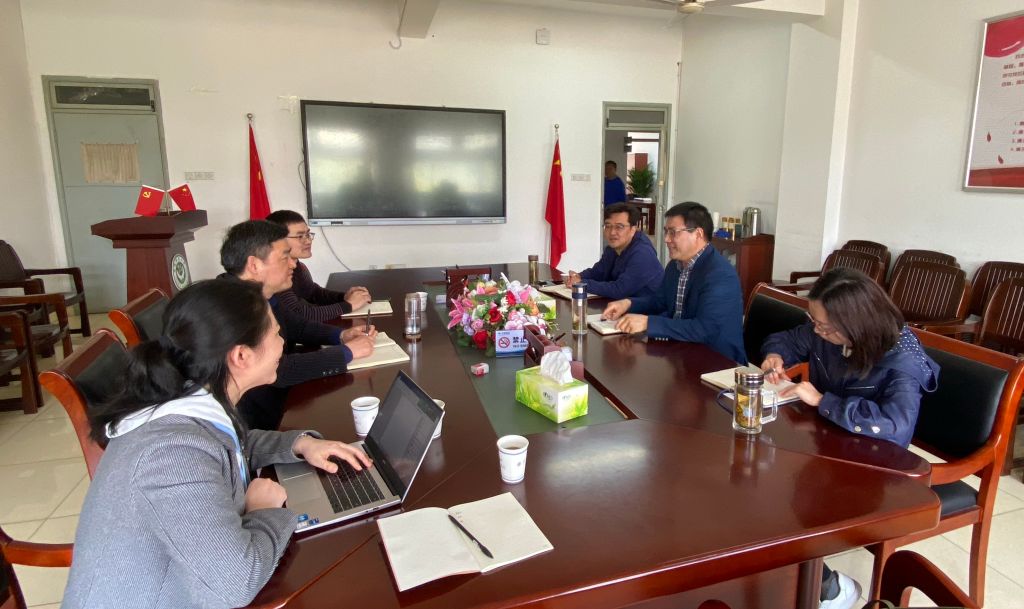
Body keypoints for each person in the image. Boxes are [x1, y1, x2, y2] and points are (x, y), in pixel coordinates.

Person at [62, 279, 372, 609]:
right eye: (276, 334)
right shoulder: (170, 455)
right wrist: (263, 512)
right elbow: (238, 582)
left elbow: (229, 444)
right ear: (241, 355)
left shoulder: (189, 400)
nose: (283, 343)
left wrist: (300, 444)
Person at [758, 268, 940, 609]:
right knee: (760, 479)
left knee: (778, 498)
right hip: (829, 439)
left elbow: (895, 425)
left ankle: (828, 588)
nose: (817, 330)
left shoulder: (900, 357)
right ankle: (788, 578)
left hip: (876, 464)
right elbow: (788, 339)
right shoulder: (825, 329)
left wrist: (823, 401)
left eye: (824, 326)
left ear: (855, 325)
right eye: (813, 321)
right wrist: (775, 356)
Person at [220, 220, 375, 430]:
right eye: (285, 257)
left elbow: (296, 326)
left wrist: (340, 335)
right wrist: (346, 353)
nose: (293, 264)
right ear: (254, 265)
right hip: (258, 424)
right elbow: (279, 369)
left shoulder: (257, 293)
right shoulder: (232, 308)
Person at [601, 201, 746, 363]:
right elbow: (659, 301)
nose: (666, 239)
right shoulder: (675, 265)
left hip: (718, 362)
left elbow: (705, 329)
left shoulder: (720, 274)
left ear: (698, 234)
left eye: (673, 232)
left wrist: (648, 323)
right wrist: (628, 304)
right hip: (681, 351)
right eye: (666, 232)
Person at [265, 209, 372, 321]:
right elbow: (299, 314)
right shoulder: (274, 273)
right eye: (300, 236)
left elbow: (313, 293)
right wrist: (348, 305)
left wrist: (344, 297)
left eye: (308, 234)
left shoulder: (296, 264)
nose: (308, 241)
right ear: (277, 240)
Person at [562, 203, 663, 299]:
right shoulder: (613, 247)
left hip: (647, 309)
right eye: (608, 226)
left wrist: (581, 283)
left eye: (619, 227)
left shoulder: (643, 253)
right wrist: (577, 276)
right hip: (619, 305)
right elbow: (599, 272)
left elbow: (620, 290)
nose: (612, 232)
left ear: (633, 229)